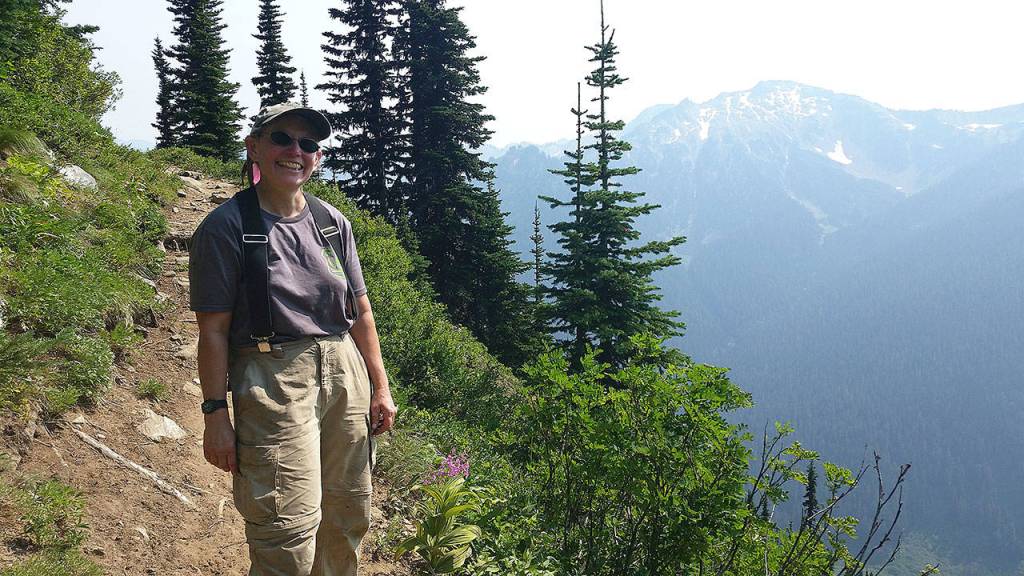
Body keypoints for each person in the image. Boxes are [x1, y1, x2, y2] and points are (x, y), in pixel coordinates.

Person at [188, 102, 397, 576]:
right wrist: (215, 413)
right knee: (285, 525)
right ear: (254, 147)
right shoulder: (227, 227)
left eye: (308, 144)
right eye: (282, 139)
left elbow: (360, 311)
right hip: (273, 375)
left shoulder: (331, 222)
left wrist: (380, 387)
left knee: (348, 511)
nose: (295, 151)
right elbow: (213, 330)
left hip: (345, 370)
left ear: (317, 157)